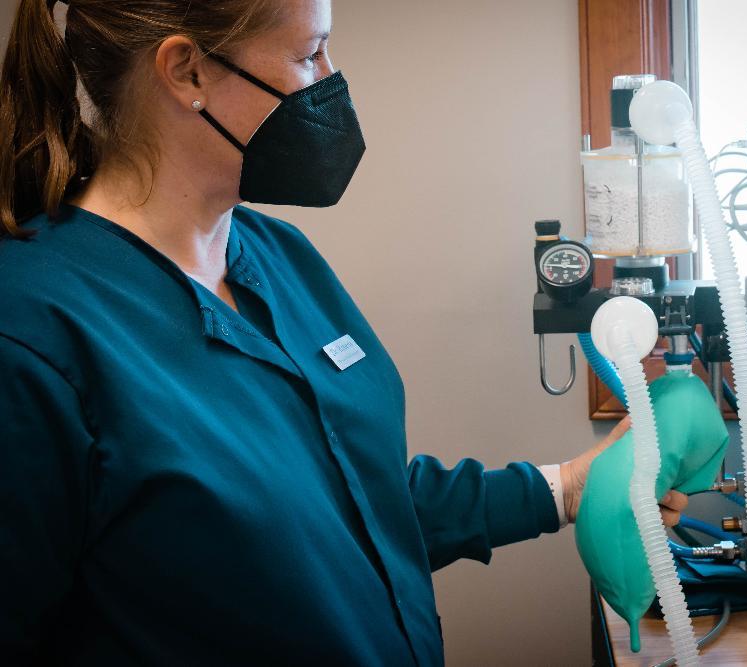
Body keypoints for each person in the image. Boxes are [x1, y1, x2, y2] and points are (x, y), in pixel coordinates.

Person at [0, 0, 689, 664]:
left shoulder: (279, 256)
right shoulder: (32, 334)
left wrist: (564, 487)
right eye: (309, 53)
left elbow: (355, 498)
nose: (331, 81)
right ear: (188, 72)